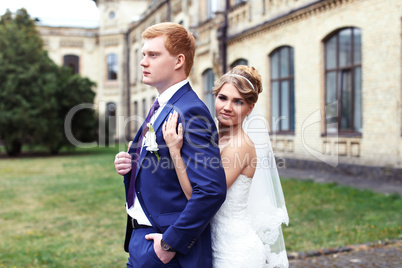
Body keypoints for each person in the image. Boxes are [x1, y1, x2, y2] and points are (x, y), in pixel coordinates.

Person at [114, 22, 226, 268]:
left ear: (178, 61)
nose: (143, 62)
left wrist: (169, 244)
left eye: (153, 55)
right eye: (144, 55)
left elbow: (211, 190)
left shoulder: (191, 111)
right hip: (139, 238)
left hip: (167, 250)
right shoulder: (161, 105)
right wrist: (130, 165)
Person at [163, 65, 289, 268]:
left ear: (251, 107)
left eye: (238, 101)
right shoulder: (213, 137)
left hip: (234, 253)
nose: (227, 107)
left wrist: (174, 151)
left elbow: (196, 196)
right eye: (223, 98)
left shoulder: (239, 146)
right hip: (211, 245)